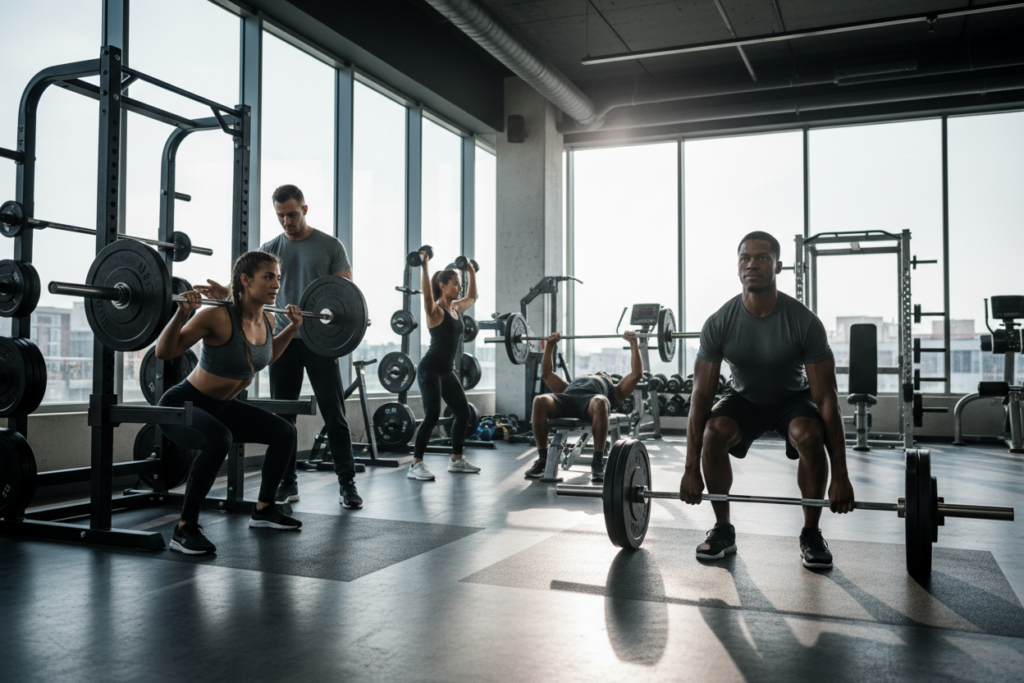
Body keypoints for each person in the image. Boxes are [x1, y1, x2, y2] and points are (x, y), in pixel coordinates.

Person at [679, 231, 855, 570]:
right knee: (714, 431)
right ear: (737, 266)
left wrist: (841, 475)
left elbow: (828, 400)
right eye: (745, 258)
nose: (752, 264)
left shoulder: (803, 322)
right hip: (743, 398)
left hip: (792, 399)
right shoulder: (719, 322)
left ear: (779, 265)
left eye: (762, 258)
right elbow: (700, 398)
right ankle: (723, 528)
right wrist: (690, 469)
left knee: (809, 433)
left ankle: (811, 532)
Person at [197, 184, 360, 510]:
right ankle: (287, 483)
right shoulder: (270, 250)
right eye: (281, 215)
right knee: (283, 418)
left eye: (292, 214)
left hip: (320, 343)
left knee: (334, 413)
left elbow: (346, 294)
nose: (287, 221)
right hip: (282, 341)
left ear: (305, 209)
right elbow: (246, 290)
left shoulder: (329, 246)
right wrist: (224, 294)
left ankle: (347, 484)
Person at [156, 251, 305, 555]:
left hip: (222, 406)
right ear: (246, 280)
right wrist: (182, 313)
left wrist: (292, 328)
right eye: (268, 277)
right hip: (182, 405)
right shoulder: (217, 316)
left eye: (278, 277)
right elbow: (164, 351)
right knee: (219, 438)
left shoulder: (269, 319)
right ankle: (184, 529)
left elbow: (263, 358)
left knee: (284, 432)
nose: (276, 283)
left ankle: (264, 510)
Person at [525, 331, 643, 482]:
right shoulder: (570, 384)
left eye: (605, 374)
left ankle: (598, 462)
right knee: (540, 401)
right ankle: (542, 460)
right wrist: (550, 344)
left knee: (601, 402)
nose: (600, 372)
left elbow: (636, 374)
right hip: (568, 398)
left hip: (591, 403)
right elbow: (546, 373)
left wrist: (634, 343)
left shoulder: (616, 391)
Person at [407, 250, 479, 480]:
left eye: (460, 284)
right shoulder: (435, 311)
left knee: (463, 412)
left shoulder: (456, 309)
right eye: (455, 284)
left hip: (446, 371)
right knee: (432, 415)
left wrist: (470, 271)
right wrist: (425, 265)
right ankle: (415, 465)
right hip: (430, 369)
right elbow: (426, 296)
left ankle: (456, 460)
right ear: (442, 286)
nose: (459, 288)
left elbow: (473, 297)